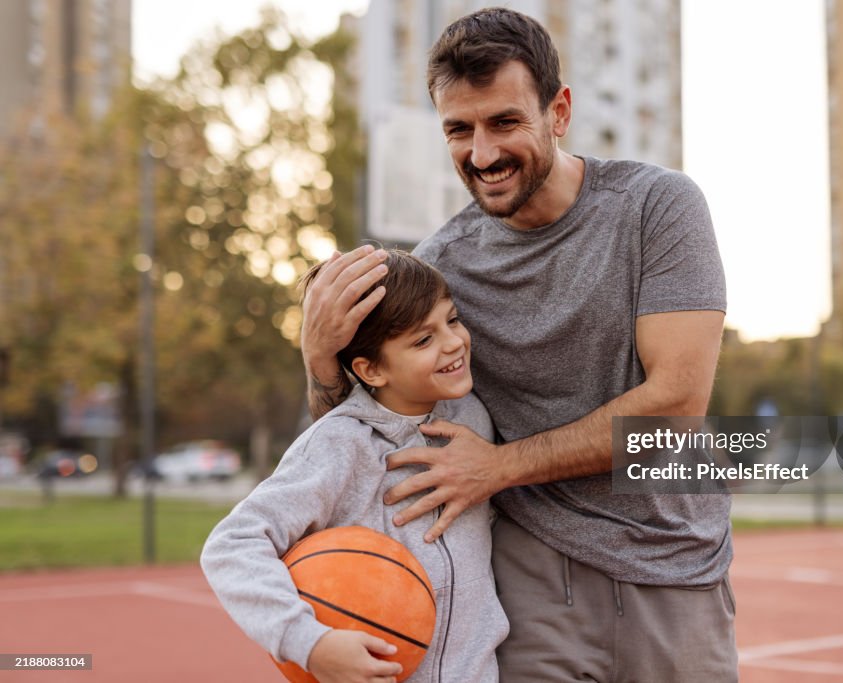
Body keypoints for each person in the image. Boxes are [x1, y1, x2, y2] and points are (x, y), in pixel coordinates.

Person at [301, 8, 736, 682]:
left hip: (673, 565)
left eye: (504, 122)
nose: (482, 154)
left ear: (558, 112)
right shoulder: (442, 266)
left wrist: (499, 466)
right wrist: (320, 361)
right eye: (459, 130)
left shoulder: (659, 207)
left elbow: (676, 402)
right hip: (532, 579)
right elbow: (372, 435)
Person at [201, 250, 509, 683]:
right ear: (371, 369)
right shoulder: (340, 442)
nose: (454, 341)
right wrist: (310, 642)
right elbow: (231, 544)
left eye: (452, 320)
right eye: (423, 340)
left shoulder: (472, 414)